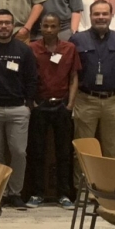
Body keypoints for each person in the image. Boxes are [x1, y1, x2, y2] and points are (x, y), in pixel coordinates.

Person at [0, 9, 37, 210]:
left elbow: (31, 78)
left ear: (13, 26)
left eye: (8, 23)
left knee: (19, 152)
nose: (4, 26)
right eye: (0, 22)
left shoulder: (24, 49)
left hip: (18, 109)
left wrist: (28, 104)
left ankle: (15, 193)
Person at [25, 13, 78, 210]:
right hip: (40, 106)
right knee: (37, 151)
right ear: (40, 27)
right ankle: (37, 193)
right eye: (45, 26)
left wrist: (70, 105)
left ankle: (64, 194)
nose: (49, 29)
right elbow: (27, 77)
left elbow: (74, 77)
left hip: (62, 106)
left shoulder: (69, 48)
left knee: (64, 152)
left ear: (58, 28)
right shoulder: (32, 48)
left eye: (53, 26)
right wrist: (33, 103)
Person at [70, 0, 115, 157]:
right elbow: (71, 72)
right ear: (90, 16)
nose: (101, 17)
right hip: (85, 100)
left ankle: (110, 183)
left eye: (105, 13)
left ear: (111, 16)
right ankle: (83, 183)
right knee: (83, 151)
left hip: (113, 102)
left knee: (112, 150)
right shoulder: (77, 40)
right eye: (96, 14)